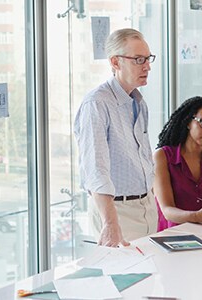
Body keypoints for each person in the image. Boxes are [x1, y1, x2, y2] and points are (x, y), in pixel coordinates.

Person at [73, 28, 159, 247]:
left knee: (152, 277)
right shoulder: (97, 104)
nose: (147, 66)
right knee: (124, 278)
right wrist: (110, 224)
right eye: (138, 59)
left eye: (148, 59)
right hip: (116, 213)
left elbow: (142, 158)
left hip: (146, 207)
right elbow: (95, 169)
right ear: (115, 62)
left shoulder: (139, 101)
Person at [152, 96, 202, 231]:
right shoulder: (162, 157)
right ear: (188, 122)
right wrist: (197, 216)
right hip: (175, 236)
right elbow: (167, 210)